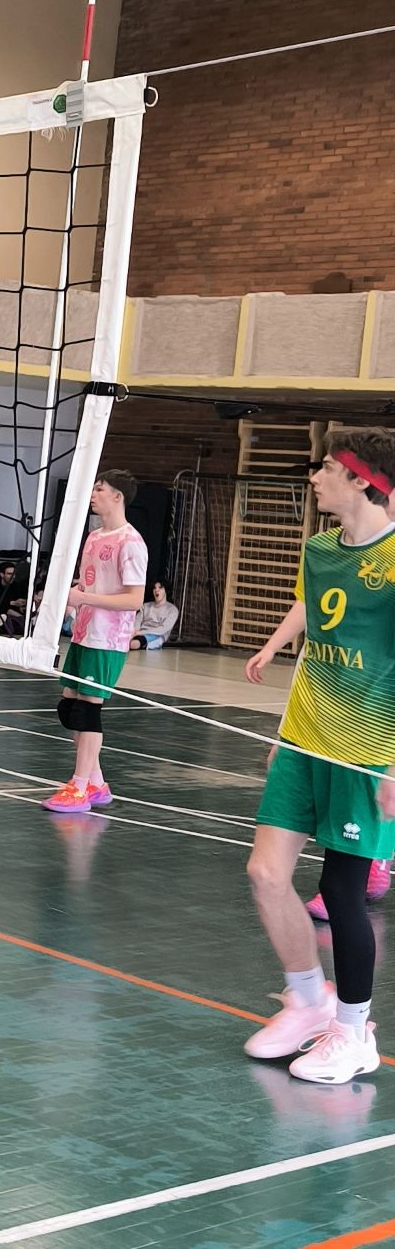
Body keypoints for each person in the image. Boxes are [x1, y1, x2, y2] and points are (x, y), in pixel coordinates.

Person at [241, 431, 395, 1083]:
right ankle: (309, 1003)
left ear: (362, 479)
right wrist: (277, 660)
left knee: (340, 890)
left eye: (327, 467)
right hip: (305, 739)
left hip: (367, 751)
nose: (315, 477)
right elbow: (314, 627)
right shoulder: (319, 549)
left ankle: (354, 1034)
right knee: (265, 873)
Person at [44, 470, 148, 813]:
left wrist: (85, 598)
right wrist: (68, 599)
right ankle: (96, 783)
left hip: (108, 639)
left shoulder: (131, 542)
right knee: (69, 709)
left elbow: (134, 600)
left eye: (100, 489)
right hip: (83, 632)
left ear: (117, 497)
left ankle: (78, 787)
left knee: (88, 709)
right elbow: (88, 583)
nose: (93, 494)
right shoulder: (93, 537)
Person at [131, 580, 178, 650]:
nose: (156, 590)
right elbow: (137, 621)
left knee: (133, 644)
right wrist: (134, 632)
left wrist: (141, 633)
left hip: (157, 635)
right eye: (154, 588)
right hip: (140, 632)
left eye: (160, 588)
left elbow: (163, 629)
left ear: (166, 590)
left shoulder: (172, 609)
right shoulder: (146, 606)